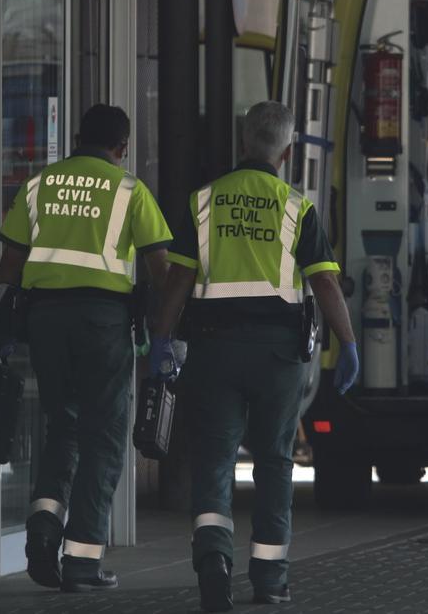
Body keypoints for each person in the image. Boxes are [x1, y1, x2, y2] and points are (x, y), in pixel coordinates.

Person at [150, 101, 360, 612]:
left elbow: (178, 279)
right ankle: (269, 577)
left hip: (213, 351)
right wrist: (348, 342)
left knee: (215, 461)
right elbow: (325, 282)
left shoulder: (203, 202)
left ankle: (213, 561)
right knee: (274, 463)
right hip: (278, 357)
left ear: (244, 142)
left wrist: (159, 340)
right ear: (287, 152)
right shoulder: (296, 207)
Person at [0, 104, 171, 591]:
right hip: (103, 323)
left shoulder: (38, 186)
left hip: (46, 320)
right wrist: (166, 335)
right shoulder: (130, 190)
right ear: (123, 147)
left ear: (76, 138)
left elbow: (9, 265)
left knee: (62, 429)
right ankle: (83, 559)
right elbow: (161, 273)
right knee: (105, 439)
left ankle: (43, 534)